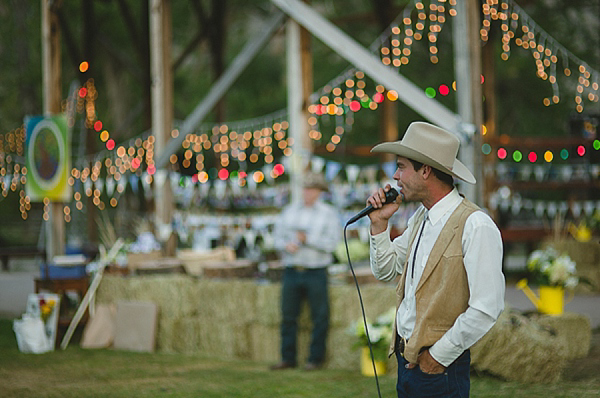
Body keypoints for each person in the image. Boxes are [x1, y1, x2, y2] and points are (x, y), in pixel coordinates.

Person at [366, 122, 505, 397]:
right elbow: (386, 270)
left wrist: (438, 357)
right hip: (407, 365)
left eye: (402, 166)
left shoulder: (476, 224)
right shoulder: (421, 217)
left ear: (426, 170)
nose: (395, 176)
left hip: (440, 370)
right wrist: (379, 225)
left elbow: (487, 307)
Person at [270, 171, 342, 371]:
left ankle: (315, 359)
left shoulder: (328, 214)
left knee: (319, 317)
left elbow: (332, 244)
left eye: (311, 189)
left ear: (319, 192)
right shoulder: (290, 211)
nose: (307, 192)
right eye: (305, 188)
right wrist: (286, 245)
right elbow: (276, 238)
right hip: (292, 269)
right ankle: (288, 357)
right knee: (288, 316)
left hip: (316, 271)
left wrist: (307, 240)